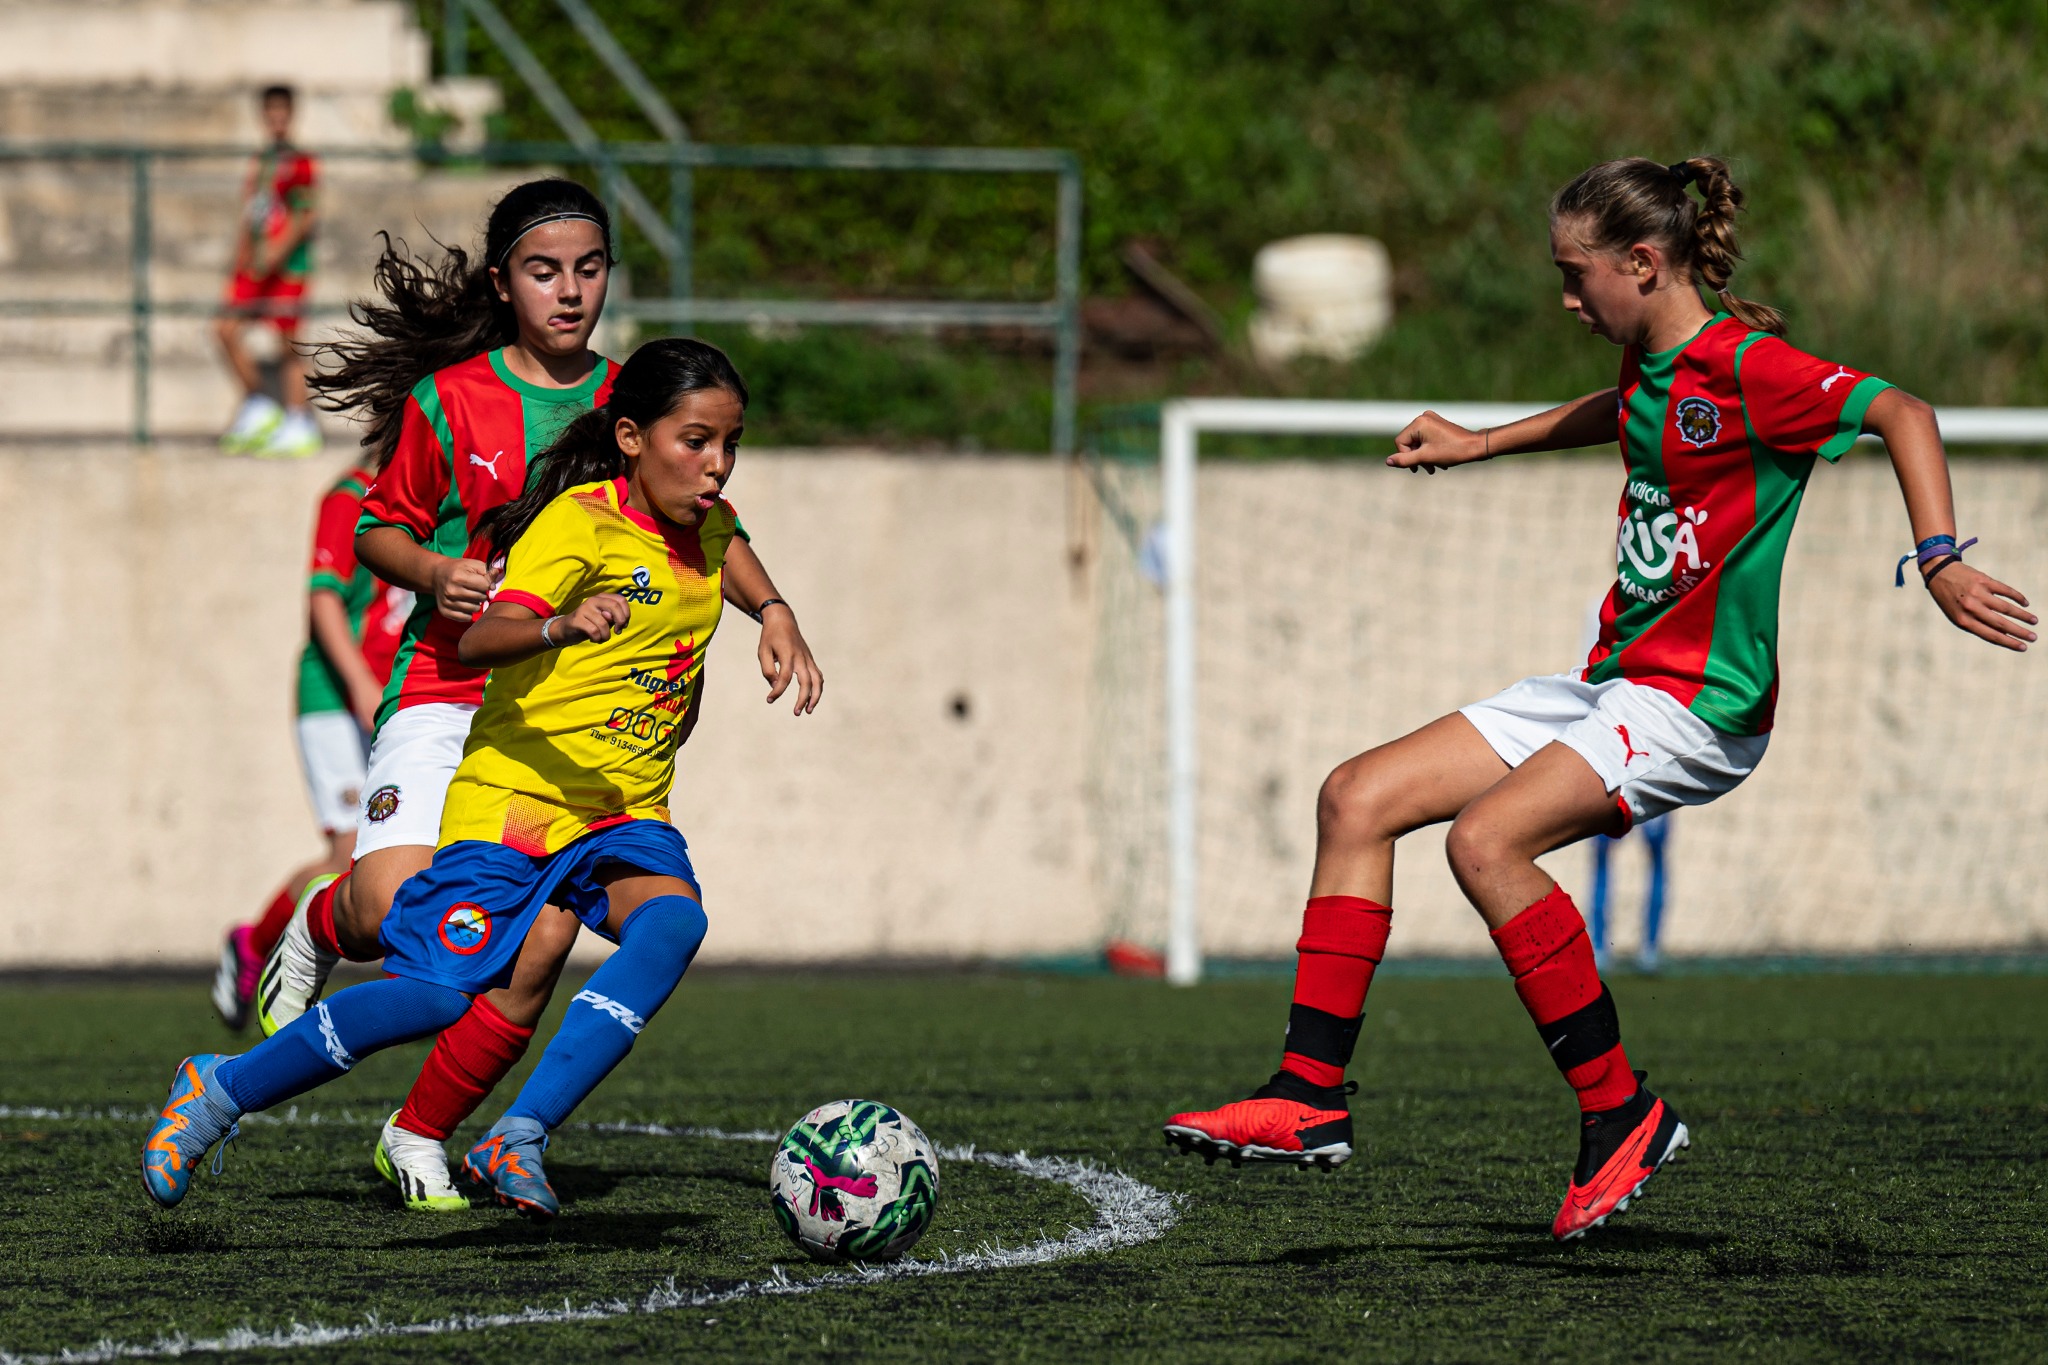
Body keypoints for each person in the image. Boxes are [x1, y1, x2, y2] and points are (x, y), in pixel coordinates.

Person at [1162, 155, 2034, 1241]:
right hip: (1610, 681)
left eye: (1576, 278)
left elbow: (1898, 409)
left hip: (1697, 703)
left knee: (1484, 845)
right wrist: (1482, 442)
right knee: (1356, 797)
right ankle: (1305, 1095)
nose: (1566, 300)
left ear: (1642, 260)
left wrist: (1938, 557)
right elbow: (1618, 412)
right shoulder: (1648, 367)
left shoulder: (1748, 369)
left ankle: (1617, 1111)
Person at [253, 178, 818, 1209]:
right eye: (544, 270)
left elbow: (711, 528)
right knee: (389, 913)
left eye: (589, 269)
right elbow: (376, 527)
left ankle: (423, 1134)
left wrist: (769, 609)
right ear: (504, 281)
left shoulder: (633, 402)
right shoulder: (450, 400)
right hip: (450, 675)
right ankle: (322, 923)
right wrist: (432, 574)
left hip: (553, 703)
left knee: (540, 943)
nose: (570, 292)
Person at [143, 338, 766, 1217]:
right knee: (433, 987)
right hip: (503, 776)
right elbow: (459, 621)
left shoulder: (704, 522)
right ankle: (222, 1083)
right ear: (631, 436)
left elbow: (731, 543)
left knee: (665, 925)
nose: (717, 465)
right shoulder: (562, 509)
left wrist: (776, 614)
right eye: (698, 442)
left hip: (616, 811)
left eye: (728, 444)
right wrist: (552, 625)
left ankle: (503, 1133)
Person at [210, 466, 411, 1030]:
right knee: (351, 849)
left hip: (395, 692)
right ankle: (256, 945)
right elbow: (323, 602)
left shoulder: (434, 494)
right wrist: (360, 685)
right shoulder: (352, 495)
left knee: (409, 842)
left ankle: (413, 981)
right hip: (336, 695)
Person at [216, 84, 322, 459]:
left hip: (286, 266)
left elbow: (305, 214)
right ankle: (261, 404)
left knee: (286, 341)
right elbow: (252, 213)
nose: (276, 118)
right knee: (224, 329)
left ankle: (298, 420)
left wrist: (278, 251)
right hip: (255, 267)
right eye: (270, 111)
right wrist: (241, 257)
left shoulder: (302, 161)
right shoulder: (260, 162)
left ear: (291, 114)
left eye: (283, 111)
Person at [1587, 813, 1669, 973]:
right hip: (1642, 789)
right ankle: (1649, 950)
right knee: (1655, 857)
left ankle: (1601, 948)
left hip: (1613, 790)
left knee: (1602, 859)